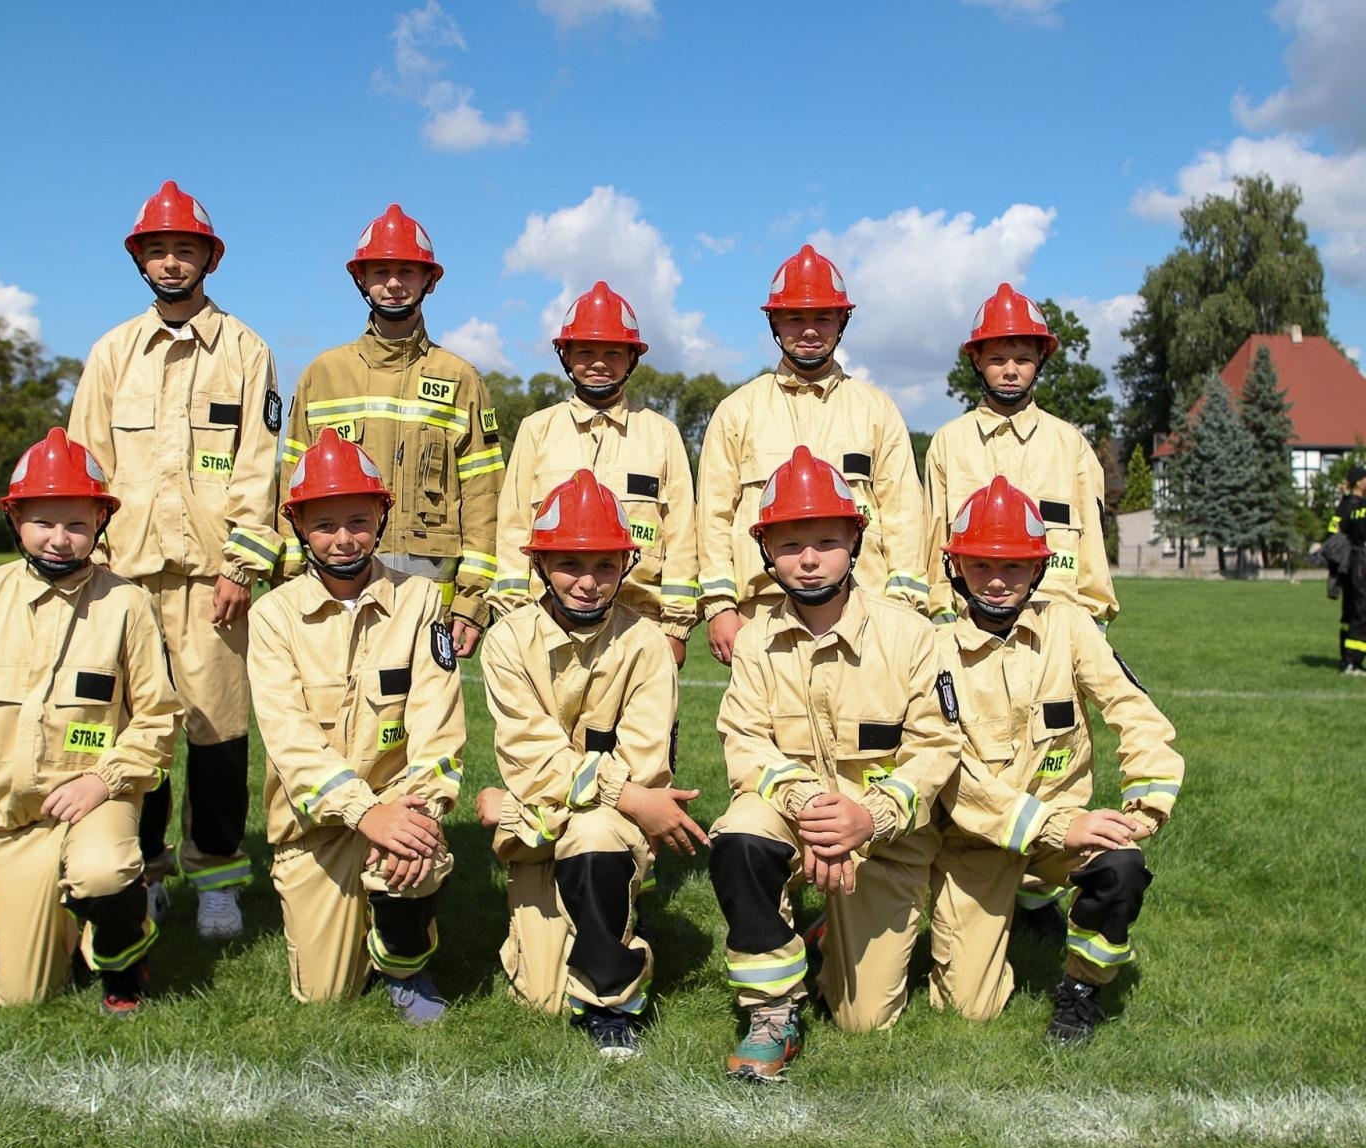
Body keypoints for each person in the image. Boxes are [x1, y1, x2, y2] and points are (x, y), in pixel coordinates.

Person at [69, 181, 283, 940]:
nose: (171, 263)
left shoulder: (246, 351)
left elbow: (259, 466)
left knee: (218, 734)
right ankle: (148, 870)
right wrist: (92, 566)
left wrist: (240, 567)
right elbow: (87, 463)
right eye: (157, 250)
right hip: (123, 579)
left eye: (184, 250)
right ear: (140, 259)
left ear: (209, 259)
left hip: (210, 581)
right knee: (139, 733)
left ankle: (217, 878)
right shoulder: (111, 353)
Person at [0, 429, 181, 1014]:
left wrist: (103, 780)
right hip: (10, 820)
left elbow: (158, 717)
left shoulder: (127, 604)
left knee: (104, 871)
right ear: (15, 519)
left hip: (95, 801)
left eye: (77, 524)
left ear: (100, 523)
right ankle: (66, 921)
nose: (59, 538)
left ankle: (122, 958)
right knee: (21, 997)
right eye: (43, 522)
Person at [708, 447, 960, 1081]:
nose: (810, 559)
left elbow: (935, 748)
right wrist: (816, 813)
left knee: (863, 1019)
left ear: (855, 540)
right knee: (739, 836)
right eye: (790, 544)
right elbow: (745, 743)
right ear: (766, 551)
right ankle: (772, 1009)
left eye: (826, 540)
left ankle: (824, 931)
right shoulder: (755, 642)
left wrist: (867, 819)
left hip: (883, 839)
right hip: (797, 824)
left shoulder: (912, 636)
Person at [929, 476, 1183, 1044]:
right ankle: (1014, 902)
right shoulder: (932, 651)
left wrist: (1146, 804)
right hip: (973, 841)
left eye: (1014, 566)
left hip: (1062, 833)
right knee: (966, 1010)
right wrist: (1052, 825)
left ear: (1039, 569)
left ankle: (1081, 993)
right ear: (956, 567)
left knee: (1120, 866)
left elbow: (1131, 707)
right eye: (980, 565)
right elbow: (952, 778)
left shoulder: (1069, 626)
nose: (997, 580)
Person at [475, 469, 704, 1059]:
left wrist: (513, 810)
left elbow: (645, 765)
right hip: (545, 830)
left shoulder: (648, 644)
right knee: (543, 998)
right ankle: (608, 911)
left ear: (626, 565)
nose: (587, 582)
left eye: (605, 565)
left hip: (588, 826)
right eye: (570, 564)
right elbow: (531, 757)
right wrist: (625, 796)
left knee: (597, 830)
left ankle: (611, 1000)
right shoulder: (507, 642)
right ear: (540, 564)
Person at [247, 428, 463, 1023]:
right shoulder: (272, 616)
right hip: (315, 823)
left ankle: (404, 962)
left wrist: (420, 813)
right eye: (324, 525)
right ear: (297, 526)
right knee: (325, 993)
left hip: (399, 804)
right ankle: (362, 925)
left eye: (358, 521)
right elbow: (289, 739)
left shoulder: (421, 600)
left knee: (415, 858)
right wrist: (363, 811)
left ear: (381, 517)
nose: (343, 539)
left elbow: (438, 723)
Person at [282, 203, 504, 659]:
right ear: (361, 279)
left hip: (431, 598)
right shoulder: (322, 376)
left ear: (429, 280)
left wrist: (472, 600)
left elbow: (485, 496)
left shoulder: (461, 379)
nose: (394, 283)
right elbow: (290, 485)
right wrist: (289, 578)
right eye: (381, 271)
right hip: (333, 589)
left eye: (407, 271)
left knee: (427, 705)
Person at [696, 245, 929, 665]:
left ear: (842, 321)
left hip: (864, 614)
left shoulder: (877, 410)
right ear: (774, 322)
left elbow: (905, 515)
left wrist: (900, 609)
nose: (809, 330)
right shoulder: (737, 412)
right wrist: (720, 607)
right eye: (795, 318)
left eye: (822, 317)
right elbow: (712, 517)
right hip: (761, 617)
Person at [488, 281, 699, 665]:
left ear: (632, 357)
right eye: (585, 351)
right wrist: (516, 618)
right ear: (566, 355)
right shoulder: (537, 430)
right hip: (547, 624)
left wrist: (675, 628)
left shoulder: (662, 434)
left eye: (613, 352)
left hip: (640, 625)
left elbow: (682, 535)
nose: (599, 362)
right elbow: (513, 527)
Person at [922, 283, 1117, 631]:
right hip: (968, 630)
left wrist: (1092, 629)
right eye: (997, 359)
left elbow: (1093, 552)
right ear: (976, 360)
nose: (1010, 371)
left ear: (1040, 359)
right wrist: (943, 625)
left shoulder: (1070, 446)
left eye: (1023, 359)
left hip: (1054, 630)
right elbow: (934, 545)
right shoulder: (948, 444)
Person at [1332, 465, 1366, 675]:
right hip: (1361, 561)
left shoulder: (1345, 506)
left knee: (1350, 612)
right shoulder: (1359, 506)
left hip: (1349, 563)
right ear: (1360, 482)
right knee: (1361, 613)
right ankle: (1353, 662)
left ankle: (1347, 659)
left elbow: (1332, 530)